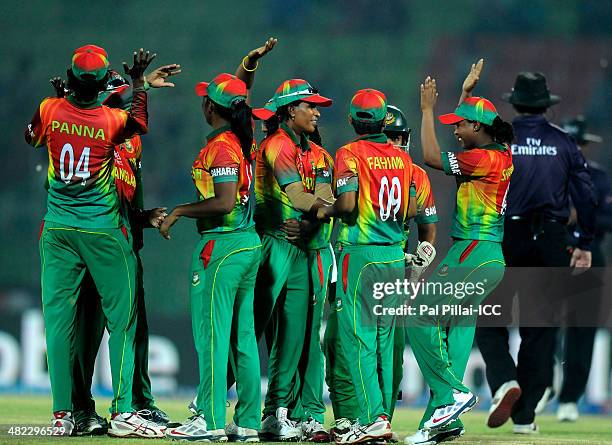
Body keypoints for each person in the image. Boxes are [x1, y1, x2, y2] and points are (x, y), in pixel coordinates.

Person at [25, 45, 164, 437]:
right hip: (102, 229)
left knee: (58, 321)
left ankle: (62, 413)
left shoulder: (49, 108)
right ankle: (123, 412)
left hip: (57, 230)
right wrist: (139, 84)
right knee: (123, 317)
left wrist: (60, 101)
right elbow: (138, 123)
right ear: (105, 84)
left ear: (68, 79)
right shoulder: (110, 120)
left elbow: (30, 136)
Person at [475, 72, 597, 434]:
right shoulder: (563, 143)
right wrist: (584, 242)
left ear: (514, 104)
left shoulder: (500, 141)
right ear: (547, 106)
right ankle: (525, 416)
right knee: (540, 330)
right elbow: (586, 196)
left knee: (490, 317)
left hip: (505, 235)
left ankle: (503, 382)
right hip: (550, 238)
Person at [405, 60, 514, 445]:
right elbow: (468, 129)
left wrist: (428, 111)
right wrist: (466, 96)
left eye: (461, 124)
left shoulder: (481, 159)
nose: (455, 129)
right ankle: (444, 420)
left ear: (479, 129)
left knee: (418, 316)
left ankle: (451, 395)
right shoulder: (499, 151)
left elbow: (431, 158)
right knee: (456, 329)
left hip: (472, 252)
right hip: (486, 257)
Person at [161, 73, 262, 442]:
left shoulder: (222, 147)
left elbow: (221, 202)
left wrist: (179, 211)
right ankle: (249, 419)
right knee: (243, 339)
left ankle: (209, 418)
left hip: (222, 247)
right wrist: (247, 68)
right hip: (248, 245)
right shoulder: (242, 140)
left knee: (213, 337)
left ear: (209, 108)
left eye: (206, 99)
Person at [317, 88, 417, 444]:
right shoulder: (404, 161)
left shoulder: (348, 153)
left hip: (360, 255)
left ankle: (371, 419)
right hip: (393, 255)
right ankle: (382, 415)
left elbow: (345, 206)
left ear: (351, 120)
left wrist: (322, 209)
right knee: (384, 341)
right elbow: (409, 213)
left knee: (357, 340)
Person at [250, 79, 333, 441]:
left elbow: (323, 197)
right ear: (289, 111)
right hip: (271, 244)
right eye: (309, 106)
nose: (316, 112)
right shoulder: (277, 146)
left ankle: (279, 413)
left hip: (302, 247)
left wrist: (312, 222)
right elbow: (299, 195)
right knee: (249, 331)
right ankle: (206, 406)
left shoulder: (319, 155)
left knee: (295, 336)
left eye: (316, 107)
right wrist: (331, 210)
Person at [556, 116, 609, 422]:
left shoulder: (600, 180)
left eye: (576, 144)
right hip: (553, 254)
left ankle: (570, 397)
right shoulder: (549, 177)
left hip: (589, 256)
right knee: (541, 324)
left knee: (582, 330)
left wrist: (582, 219)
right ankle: (541, 388)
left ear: (583, 145)